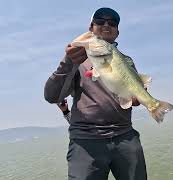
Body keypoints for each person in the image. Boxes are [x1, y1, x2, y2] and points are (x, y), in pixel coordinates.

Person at [44, 7, 147, 180]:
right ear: (91, 27)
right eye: (100, 21)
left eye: (112, 23)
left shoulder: (127, 61)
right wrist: (68, 62)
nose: (106, 25)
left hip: (125, 136)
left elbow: (130, 94)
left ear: (117, 32)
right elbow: (52, 96)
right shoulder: (77, 58)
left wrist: (137, 97)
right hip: (86, 141)